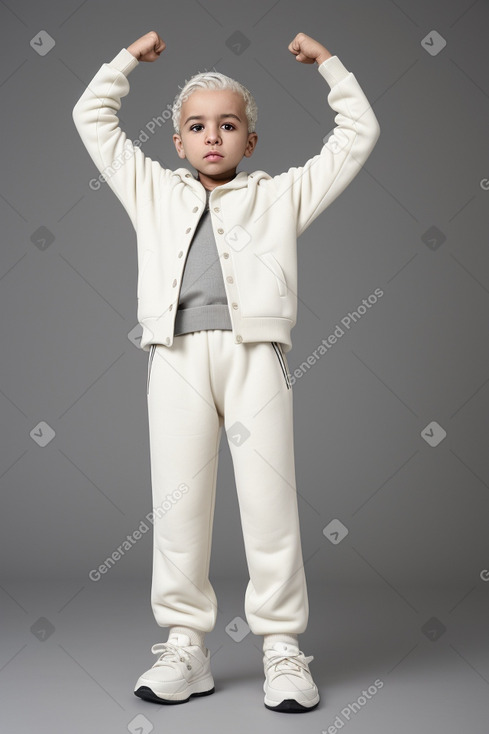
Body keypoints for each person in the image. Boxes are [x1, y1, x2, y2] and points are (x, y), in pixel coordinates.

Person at [72, 29, 380, 713]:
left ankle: (280, 650)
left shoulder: (281, 196)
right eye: (196, 126)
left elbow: (357, 133)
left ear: (250, 142)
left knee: (270, 509)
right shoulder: (150, 189)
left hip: (254, 362)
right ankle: (185, 647)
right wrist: (127, 60)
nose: (213, 136)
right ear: (176, 142)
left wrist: (327, 63)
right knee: (179, 503)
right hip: (175, 360)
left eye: (229, 124)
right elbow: (90, 114)